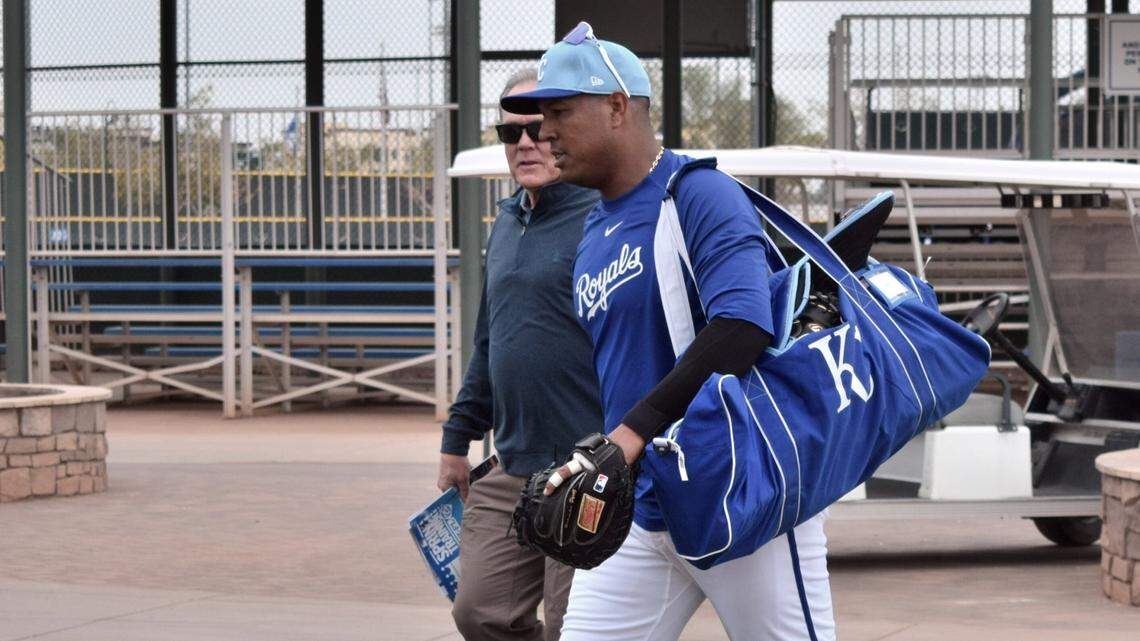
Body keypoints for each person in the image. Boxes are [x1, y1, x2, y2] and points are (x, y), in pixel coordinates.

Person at [500, 23, 836, 641]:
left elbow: (742, 326)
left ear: (618, 107)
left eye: (558, 112)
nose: (543, 131)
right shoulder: (596, 231)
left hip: (737, 494)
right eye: (537, 116)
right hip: (639, 511)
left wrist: (627, 435)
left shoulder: (698, 194)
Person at [438, 68, 603, 641]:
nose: (525, 144)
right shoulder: (506, 225)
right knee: (479, 612)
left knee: (572, 626)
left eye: (536, 128)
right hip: (512, 462)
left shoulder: (604, 222)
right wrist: (456, 440)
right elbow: (490, 339)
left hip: (584, 468)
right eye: (511, 134)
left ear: (563, 130)